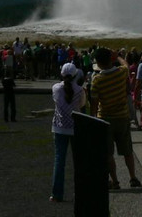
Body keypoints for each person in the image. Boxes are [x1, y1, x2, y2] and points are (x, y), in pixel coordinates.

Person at [90, 47, 141, 189]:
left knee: (108, 153)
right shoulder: (121, 72)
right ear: (110, 59)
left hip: (105, 118)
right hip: (122, 117)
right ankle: (133, 177)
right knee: (127, 151)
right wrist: (117, 56)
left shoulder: (97, 80)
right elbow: (125, 64)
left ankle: (115, 181)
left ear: (98, 64)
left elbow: (94, 105)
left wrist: (93, 120)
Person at [51, 62, 86, 203]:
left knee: (59, 160)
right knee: (78, 161)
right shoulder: (80, 90)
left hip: (59, 127)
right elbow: (82, 105)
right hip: (75, 126)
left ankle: (57, 193)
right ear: (75, 75)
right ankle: (79, 192)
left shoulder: (56, 88)